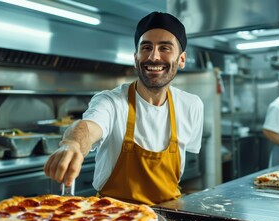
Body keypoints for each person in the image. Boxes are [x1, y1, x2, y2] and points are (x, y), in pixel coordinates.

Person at [44, 12, 204, 205]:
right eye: (146, 47)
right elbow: (88, 127)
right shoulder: (111, 101)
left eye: (165, 48)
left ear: (182, 59)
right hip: (112, 217)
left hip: (172, 213)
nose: (153, 56)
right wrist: (73, 144)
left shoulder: (191, 105)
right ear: (136, 57)